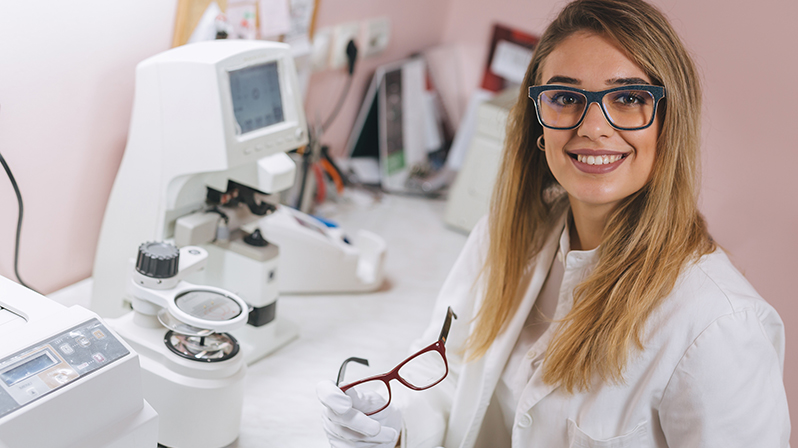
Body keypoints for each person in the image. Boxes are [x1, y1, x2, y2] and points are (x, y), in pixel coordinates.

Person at [317, 0, 791, 446]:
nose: (592, 127)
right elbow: (453, 370)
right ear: (538, 122)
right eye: (566, 96)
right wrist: (396, 425)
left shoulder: (721, 327)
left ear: (669, 122)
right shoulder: (506, 235)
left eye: (628, 97)